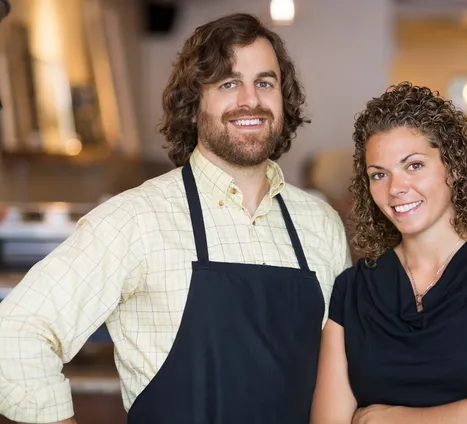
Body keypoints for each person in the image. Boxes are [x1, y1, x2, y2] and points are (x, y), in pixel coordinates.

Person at [0, 13, 351, 424]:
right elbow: (16, 334)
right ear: (192, 106)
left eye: (264, 82)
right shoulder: (135, 220)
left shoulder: (320, 225)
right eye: (228, 83)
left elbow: (342, 371)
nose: (250, 99)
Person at [311, 82, 467, 424]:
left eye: (414, 165)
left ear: (455, 166)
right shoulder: (353, 288)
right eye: (379, 174)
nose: (396, 188)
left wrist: (380, 419)